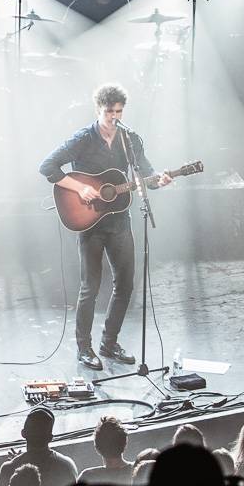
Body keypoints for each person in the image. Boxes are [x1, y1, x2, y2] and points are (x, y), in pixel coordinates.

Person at [39, 83, 173, 369]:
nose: (114, 117)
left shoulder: (130, 139)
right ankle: (84, 348)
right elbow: (48, 167)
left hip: (119, 220)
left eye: (118, 112)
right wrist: (80, 188)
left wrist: (159, 181)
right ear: (98, 110)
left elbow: (145, 175)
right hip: (89, 221)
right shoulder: (83, 138)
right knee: (91, 287)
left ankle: (109, 342)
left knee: (125, 284)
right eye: (109, 112)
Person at [0, 407, 79, 486]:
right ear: (50, 438)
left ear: (23, 433)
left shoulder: (8, 469)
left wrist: (16, 462)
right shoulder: (67, 466)